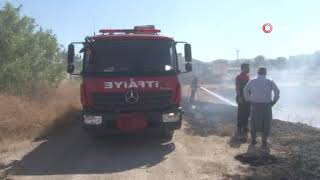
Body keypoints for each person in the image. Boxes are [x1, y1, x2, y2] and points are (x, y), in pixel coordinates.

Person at [243, 67, 280, 149]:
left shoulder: (253, 80)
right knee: (266, 123)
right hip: (266, 105)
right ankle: (264, 142)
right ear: (265, 72)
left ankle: (253, 140)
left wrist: (248, 100)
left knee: (254, 122)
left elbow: (245, 90)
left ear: (258, 72)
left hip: (255, 105)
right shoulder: (269, 80)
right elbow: (277, 91)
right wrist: (274, 101)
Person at [235, 63, 250, 138]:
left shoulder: (247, 77)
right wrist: (240, 97)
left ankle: (245, 127)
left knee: (247, 112)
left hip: (247, 98)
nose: (249, 69)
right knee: (241, 112)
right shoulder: (239, 77)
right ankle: (239, 127)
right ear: (243, 68)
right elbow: (237, 88)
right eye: (247, 68)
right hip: (241, 97)